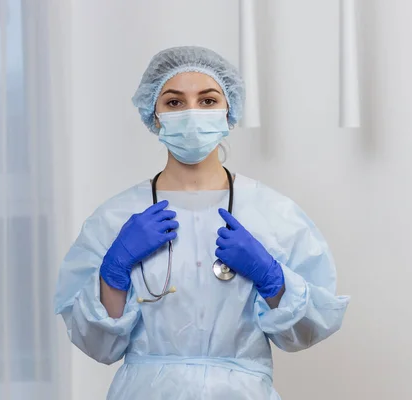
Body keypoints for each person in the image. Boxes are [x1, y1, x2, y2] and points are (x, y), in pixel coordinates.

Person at [54, 46, 349, 400]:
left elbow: (308, 329)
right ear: (155, 114)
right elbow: (98, 345)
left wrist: (272, 278)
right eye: (174, 102)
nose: (192, 113)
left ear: (229, 112)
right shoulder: (117, 218)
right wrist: (112, 272)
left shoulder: (272, 214)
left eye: (207, 101)